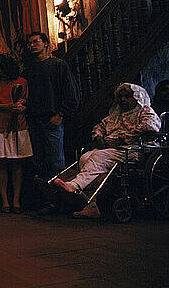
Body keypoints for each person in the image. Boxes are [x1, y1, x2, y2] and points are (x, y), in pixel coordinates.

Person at [54, 83, 161, 218]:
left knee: (99, 156)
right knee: (85, 158)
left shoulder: (145, 112)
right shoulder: (117, 114)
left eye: (127, 97)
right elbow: (99, 127)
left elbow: (150, 127)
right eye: (121, 97)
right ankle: (92, 205)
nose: (123, 100)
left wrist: (121, 138)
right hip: (113, 149)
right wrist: (98, 137)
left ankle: (75, 185)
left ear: (137, 97)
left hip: (134, 149)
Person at [25, 32, 80, 214]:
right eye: (29, 43)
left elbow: (70, 93)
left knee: (56, 162)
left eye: (36, 42)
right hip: (35, 121)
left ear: (46, 44)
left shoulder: (58, 65)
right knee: (40, 163)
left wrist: (60, 115)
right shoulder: (30, 69)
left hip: (52, 119)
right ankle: (49, 202)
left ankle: (64, 202)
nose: (32, 45)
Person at [0, 54, 32, 214]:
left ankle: (16, 200)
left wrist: (21, 107)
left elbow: (25, 100)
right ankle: (4, 200)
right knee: (1, 163)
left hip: (18, 125)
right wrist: (5, 107)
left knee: (17, 163)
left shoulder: (21, 82)